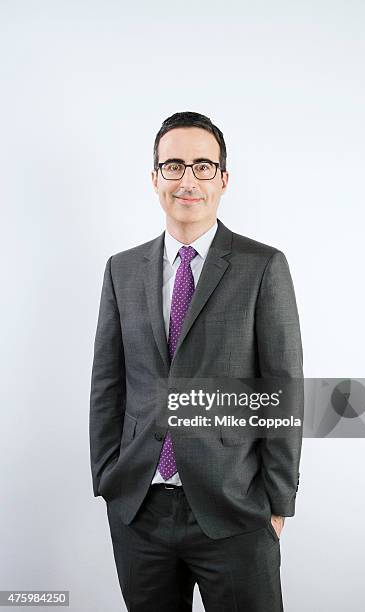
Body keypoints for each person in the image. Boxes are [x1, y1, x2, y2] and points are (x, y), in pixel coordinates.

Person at [89, 111, 303, 611]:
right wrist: (108, 480)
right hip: (140, 508)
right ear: (155, 178)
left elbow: (283, 389)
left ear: (223, 180)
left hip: (233, 510)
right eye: (174, 165)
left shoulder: (262, 265)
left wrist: (277, 504)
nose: (188, 179)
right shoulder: (122, 269)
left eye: (203, 166)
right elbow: (107, 383)